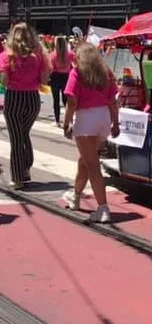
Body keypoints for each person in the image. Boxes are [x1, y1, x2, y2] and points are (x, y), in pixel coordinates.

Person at [62, 42, 119, 223]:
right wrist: (115, 122)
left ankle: (103, 207)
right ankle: (76, 195)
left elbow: (72, 101)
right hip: (103, 117)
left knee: (92, 165)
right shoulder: (106, 73)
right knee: (86, 160)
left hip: (86, 118)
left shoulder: (77, 73)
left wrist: (66, 122)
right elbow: (112, 101)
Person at [0, 23, 51, 189]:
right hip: (32, 99)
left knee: (16, 139)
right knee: (23, 133)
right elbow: (44, 80)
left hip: (14, 97)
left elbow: (4, 81)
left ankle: (17, 177)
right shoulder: (39, 56)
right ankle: (26, 167)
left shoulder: (7, 56)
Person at [50, 35, 74, 128]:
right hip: (66, 77)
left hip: (55, 77)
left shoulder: (53, 55)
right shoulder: (70, 54)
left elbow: (50, 68)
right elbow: (76, 63)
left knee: (56, 99)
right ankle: (70, 120)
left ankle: (57, 121)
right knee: (66, 100)